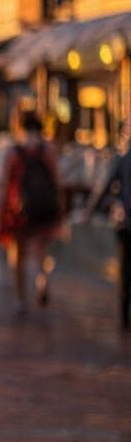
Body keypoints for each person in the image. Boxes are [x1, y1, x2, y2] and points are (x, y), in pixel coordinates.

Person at [0, 113, 63, 313]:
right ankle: (41, 280)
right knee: (41, 250)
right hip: (44, 208)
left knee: (17, 254)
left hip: (19, 210)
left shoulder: (13, 152)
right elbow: (57, 181)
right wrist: (61, 207)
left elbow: (4, 184)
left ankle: (20, 298)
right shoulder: (47, 150)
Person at [80, 126, 131, 331]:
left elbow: (105, 185)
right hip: (126, 221)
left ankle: (124, 314)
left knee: (126, 267)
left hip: (126, 221)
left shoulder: (123, 157)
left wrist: (89, 210)